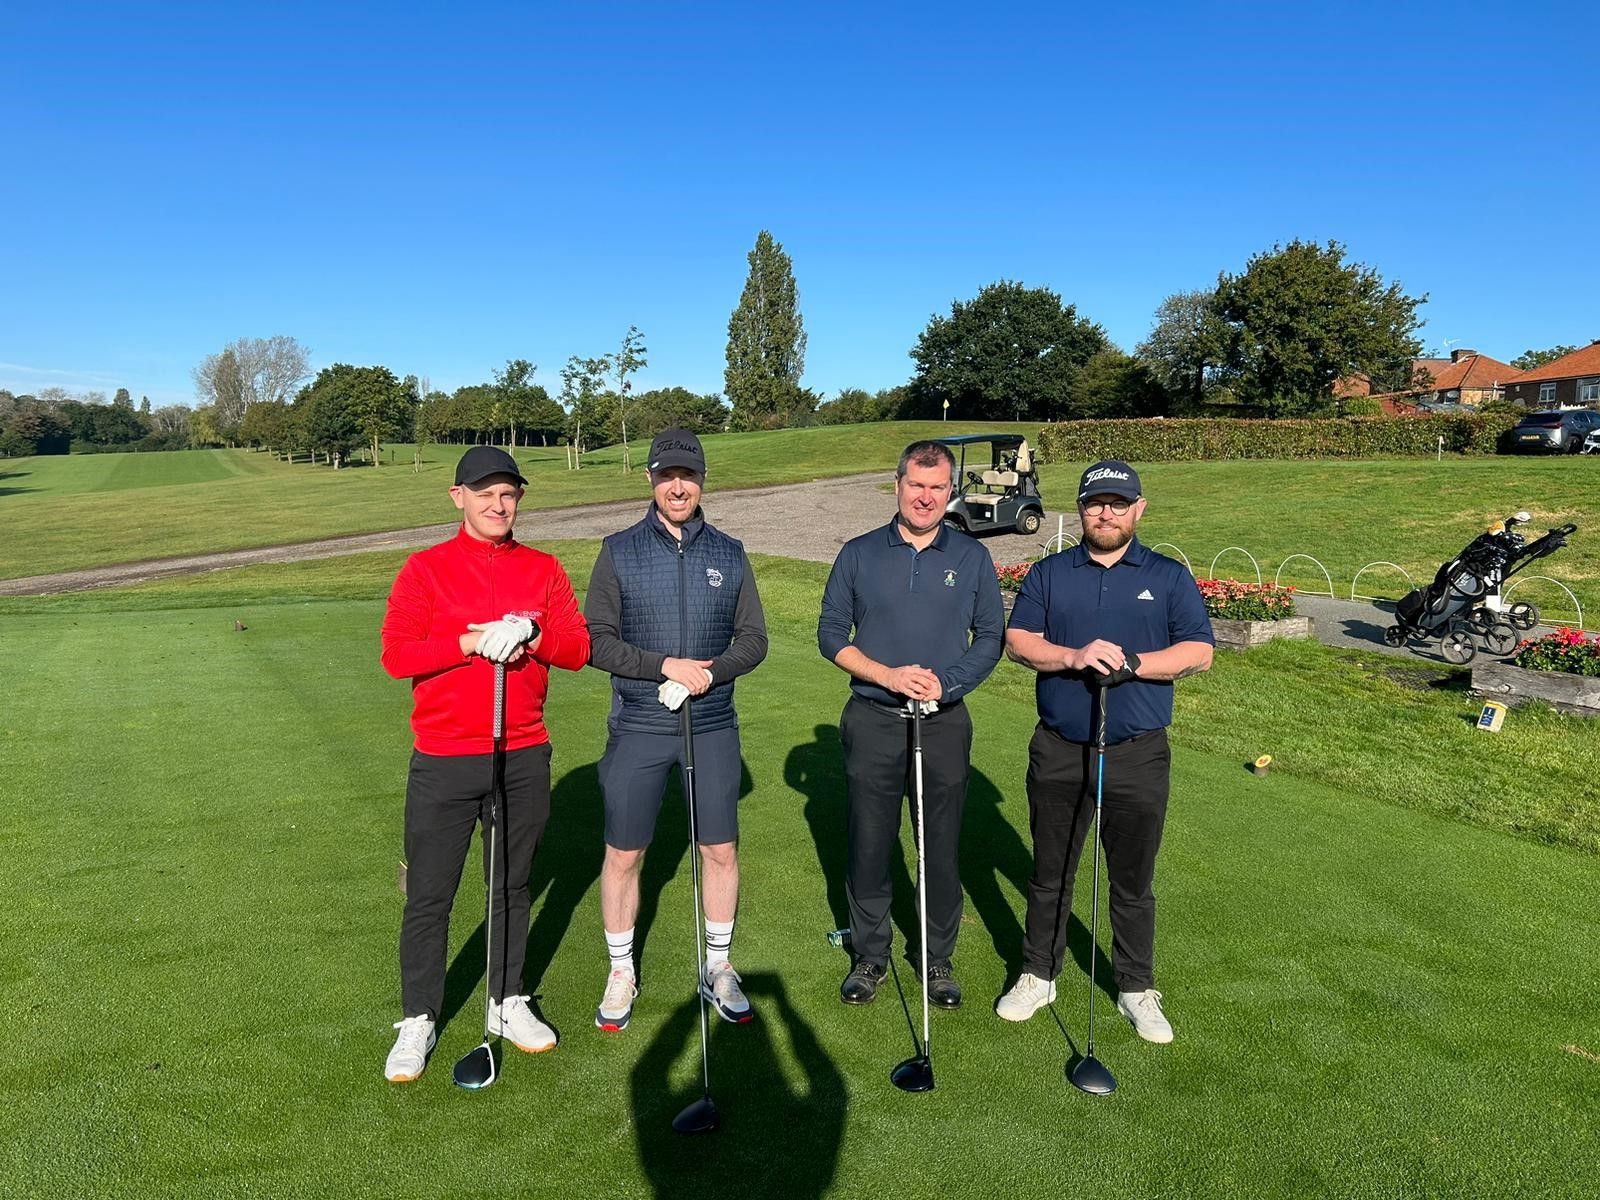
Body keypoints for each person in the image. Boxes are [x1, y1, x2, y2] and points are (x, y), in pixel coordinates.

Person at [378, 445, 591, 1082]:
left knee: (512, 887)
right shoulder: (425, 569)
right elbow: (397, 656)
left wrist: (533, 635)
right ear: (458, 497)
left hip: (521, 751)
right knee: (430, 896)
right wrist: (470, 640)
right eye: (485, 493)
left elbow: (577, 649)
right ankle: (419, 1016)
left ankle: (505, 1001)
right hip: (445, 758)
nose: (498, 505)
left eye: (509, 494)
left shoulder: (544, 569)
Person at [999, 460, 1213, 1042]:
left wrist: (1136, 664)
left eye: (1119, 504)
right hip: (1061, 747)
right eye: (1096, 503)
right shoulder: (1049, 574)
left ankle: (1135, 987)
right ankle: (1038, 973)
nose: (1106, 513)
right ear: (1082, 507)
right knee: (1051, 874)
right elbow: (1018, 641)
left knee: (1132, 880)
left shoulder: (1167, 576)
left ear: (1139, 509)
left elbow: (1198, 650)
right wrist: (1073, 656)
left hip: (1137, 752)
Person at [585, 428, 768, 1030]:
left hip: (712, 724)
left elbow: (754, 641)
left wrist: (706, 674)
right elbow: (596, 642)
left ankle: (719, 966)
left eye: (688, 475)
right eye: (667, 476)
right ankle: (620, 970)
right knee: (624, 851)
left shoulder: (730, 553)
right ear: (651, 480)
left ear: (703, 479)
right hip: (639, 722)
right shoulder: (618, 551)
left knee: (719, 848)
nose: (678, 486)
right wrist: (661, 666)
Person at [817, 439, 1004, 1009]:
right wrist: (887, 675)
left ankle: (936, 957)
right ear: (897, 484)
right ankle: (870, 956)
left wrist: (946, 684)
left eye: (937, 487)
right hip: (873, 719)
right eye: (916, 485)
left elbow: (991, 637)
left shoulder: (971, 557)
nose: (926, 498)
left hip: (943, 722)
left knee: (939, 845)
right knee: (871, 843)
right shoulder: (859, 553)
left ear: (950, 492)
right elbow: (831, 636)